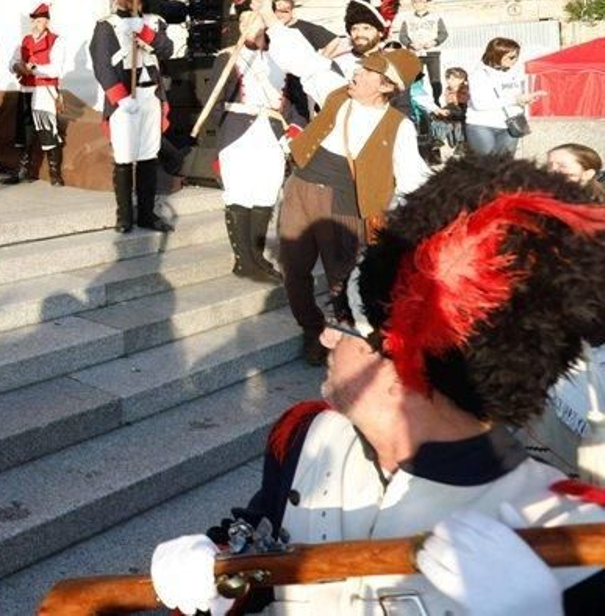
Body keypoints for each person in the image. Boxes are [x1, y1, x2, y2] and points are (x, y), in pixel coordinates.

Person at [150, 155, 605, 615]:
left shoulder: (572, 536)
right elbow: (259, 551)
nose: (326, 335)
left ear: (400, 354)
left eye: (345, 322)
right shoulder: (307, 438)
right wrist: (215, 575)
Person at [255, 0, 430, 366]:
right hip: (301, 187)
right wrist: (270, 17)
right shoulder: (336, 92)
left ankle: (347, 340)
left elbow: (413, 179)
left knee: (342, 279)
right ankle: (312, 331)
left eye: (366, 72)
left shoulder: (398, 127)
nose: (356, 73)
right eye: (360, 68)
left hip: (346, 201)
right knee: (295, 271)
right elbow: (304, 60)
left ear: (386, 86)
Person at [204, 0, 285, 284]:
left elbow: (295, 102)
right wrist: (219, 140)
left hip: (273, 130)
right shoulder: (228, 57)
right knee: (240, 193)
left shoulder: (281, 57)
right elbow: (215, 102)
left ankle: (257, 256)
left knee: (266, 192)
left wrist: (295, 130)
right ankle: (244, 262)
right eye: (242, 22)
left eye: (252, 20)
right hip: (238, 129)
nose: (246, 26)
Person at [91, 0, 174, 233]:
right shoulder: (106, 25)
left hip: (151, 96)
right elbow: (102, 65)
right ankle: (124, 216)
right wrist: (120, 98)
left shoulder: (153, 23)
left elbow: (167, 50)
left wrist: (144, 31)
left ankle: (146, 215)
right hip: (125, 99)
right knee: (125, 157)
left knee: (149, 156)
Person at [3, 3, 65, 187]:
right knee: (24, 133)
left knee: (48, 131)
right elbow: (12, 62)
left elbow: (56, 69)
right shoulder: (25, 41)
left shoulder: (56, 40)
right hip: (26, 90)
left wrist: (35, 69)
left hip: (44, 91)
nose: (38, 23)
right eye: (36, 20)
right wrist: (18, 67)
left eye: (41, 19)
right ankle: (23, 170)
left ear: (47, 21)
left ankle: (55, 173)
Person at [466, 36, 545, 157]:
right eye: (511, 57)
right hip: (482, 125)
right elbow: (480, 103)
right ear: (496, 55)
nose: (515, 60)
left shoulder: (515, 73)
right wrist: (515, 100)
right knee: (486, 165)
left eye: (517, 56)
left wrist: (525, 100)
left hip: (511, 125)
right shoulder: (479, 74)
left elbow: (515, 97)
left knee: (505, 166)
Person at [271, 0, 337, 123]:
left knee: (301, 115)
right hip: (279, 78)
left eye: (285, 11)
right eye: (277, 10)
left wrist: (321, 59)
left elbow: (334, 41)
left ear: (292, 11)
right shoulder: (272, 30)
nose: (280, 14)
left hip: (300, 80)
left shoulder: (305, 27)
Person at [397, 0, 449, 98]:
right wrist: (410, 44)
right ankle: (418, 102)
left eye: (420, 1)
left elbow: (443, 33)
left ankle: (436, 101)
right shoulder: (407, 19)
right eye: (414, 1)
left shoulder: (436, 17)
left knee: (435, 80)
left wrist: (434, 42)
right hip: (415, 54)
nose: (417, 4)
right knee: (416, 80)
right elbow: (402, 36)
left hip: (432, 53)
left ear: (426, 2)